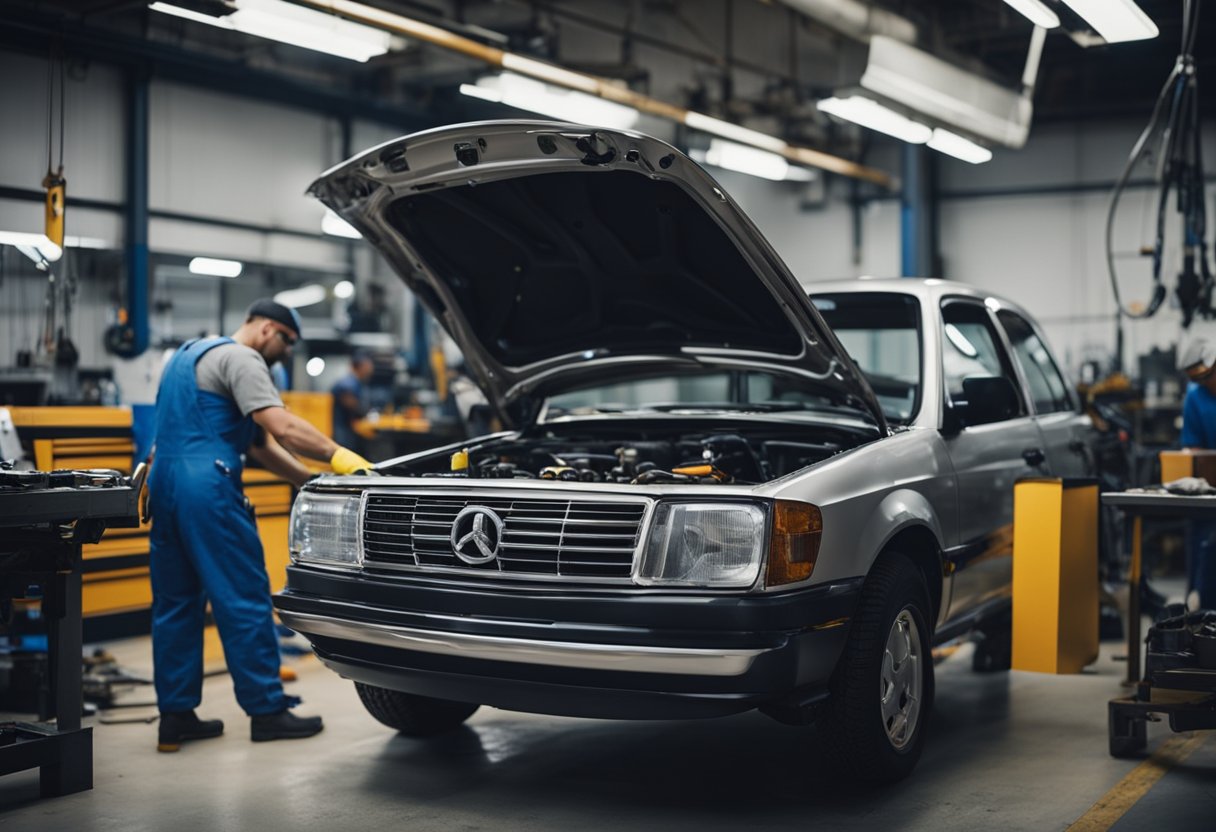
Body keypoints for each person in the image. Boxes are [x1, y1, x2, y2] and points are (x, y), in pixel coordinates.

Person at [147, 298, 375, 752]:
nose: (285, 354)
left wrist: (311, 481)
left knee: (175, 603)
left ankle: (176, 716)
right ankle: (267, 710)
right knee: (243, 597)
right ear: (268, 329)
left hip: (163, 486)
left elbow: (258, 446)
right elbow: (283, 428)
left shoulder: (186, 357)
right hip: (207, 488)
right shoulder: (243, 358)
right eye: (287, 343)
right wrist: (343, 458)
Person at [1178, 337, 1216, 609]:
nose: (1206, 384)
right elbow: (1192, 448)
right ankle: (1200, 618)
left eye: (1209, 377)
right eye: (1200, 379)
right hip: (1210, 491)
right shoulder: (1195, 396)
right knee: (1204, 546)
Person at [331, 351, 374, 453]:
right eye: (368, 366)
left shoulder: (357, 383)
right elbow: (349, 402)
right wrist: (366, 413)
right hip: (342, 434)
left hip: (348, 432)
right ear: (361, 366)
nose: (371, 370)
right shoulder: (348, 382)